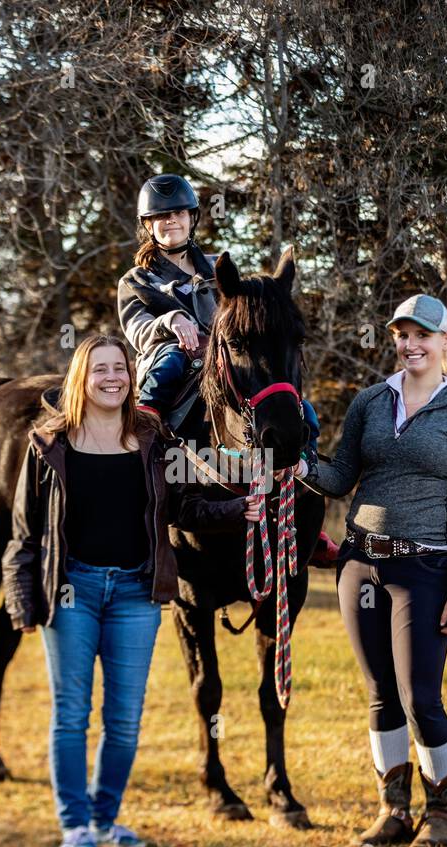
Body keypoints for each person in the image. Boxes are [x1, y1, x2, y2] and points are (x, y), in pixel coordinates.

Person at [2, 334, 261, 847]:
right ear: (81, 377)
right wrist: (21, 602)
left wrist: (239, 511)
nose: (112, 378)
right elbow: (24, 533)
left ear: (131, 376)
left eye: (120, 368)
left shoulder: (152, 439)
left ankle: (106, 819)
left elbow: (185, 511)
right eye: (100, 369)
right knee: (72, 713)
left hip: (136, 595)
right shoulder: (48, 443)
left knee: (124, 718)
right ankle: (75, 827)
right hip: (70, 589)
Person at [296, 294, 447, 847]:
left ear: (445, 341)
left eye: (422, 335)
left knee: (420, 696)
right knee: (380, 692)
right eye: (402, 334)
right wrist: (299, 463)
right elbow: (339, 477)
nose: (411, 344)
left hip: (425, 567)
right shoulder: (369, 402)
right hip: (359, 564)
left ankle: (444, 815)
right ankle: (394, 811)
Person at [117, 172, 338, 564]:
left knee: (295, 406)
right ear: (148, 226)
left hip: (219, 361)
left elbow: (245, 313)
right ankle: (146, 437)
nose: (171, 222)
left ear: (192, 218)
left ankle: (304, 486)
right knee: (170, 362)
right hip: (171, 358)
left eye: (179, 214)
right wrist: (171, 323)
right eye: (161, 218)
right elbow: (135, 328)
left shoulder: (216, 266)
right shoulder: (137, 280)